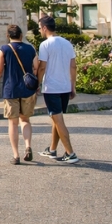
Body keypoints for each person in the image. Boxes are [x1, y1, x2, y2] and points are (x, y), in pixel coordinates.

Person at [0, 24, 37, 164]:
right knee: (25, 120)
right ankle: (28, 146)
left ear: (8, 36)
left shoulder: (4, 49)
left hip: (11, 90)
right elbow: (36, 67)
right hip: (27, 90)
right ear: (21, 35)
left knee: (13, 123)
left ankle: (16, 155)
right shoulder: (30, 49)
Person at [36, 15, 79, 163]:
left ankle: (70, 153)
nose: (39, 30)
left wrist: (37, 83)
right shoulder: (67, 43)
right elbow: (73, 66)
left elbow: (42, 67)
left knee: (59, 121)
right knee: (56, 118)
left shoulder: (45, 45)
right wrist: (73, 86)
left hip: (52, 88)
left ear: (44, 28)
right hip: (65, 87)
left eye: (39, 28)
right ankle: (52, 150)